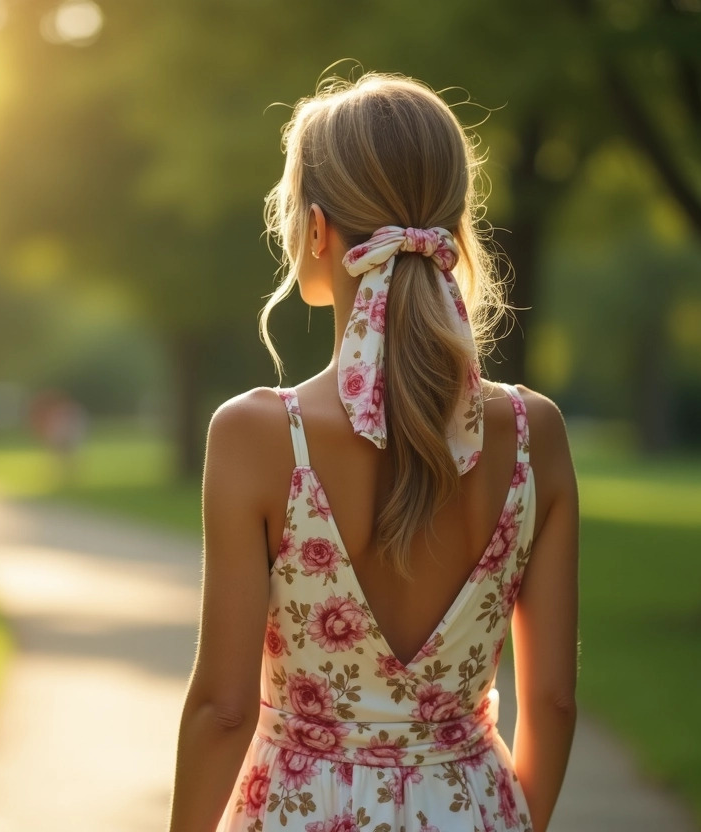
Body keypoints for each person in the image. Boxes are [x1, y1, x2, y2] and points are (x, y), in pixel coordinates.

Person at [167, 71, 579, 832]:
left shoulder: (258, 437)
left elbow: (224, 711)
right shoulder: (534, 434)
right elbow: (551, 700)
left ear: (317, 231)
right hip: (476, 809)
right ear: (454, 231)